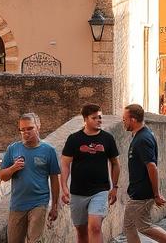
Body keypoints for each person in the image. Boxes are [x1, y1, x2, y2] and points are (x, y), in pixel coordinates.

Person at [60, 103, 120, 243]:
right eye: (95, 118)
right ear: (85, 119)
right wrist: (64, 186)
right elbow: (65, 164)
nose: (99, 120)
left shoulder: (107, 138)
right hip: (77, 192)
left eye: (100, 117)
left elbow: (115, 164)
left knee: (95, 227)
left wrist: (115, 187)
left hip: (100, 190)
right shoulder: (74, 139)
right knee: (81, 231)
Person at [0, 112, 61, 243]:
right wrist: (13, 168)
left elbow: (54, 179)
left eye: (30, 128)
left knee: (34, 240)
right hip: (17, 204)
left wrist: (55, 205)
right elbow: (2, 176)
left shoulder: (48, 150)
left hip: (39, 202)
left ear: (38, 126)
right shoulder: (13, 149)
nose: (26, 132)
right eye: (23, 130)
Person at [121, 104, 166, 243]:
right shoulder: (140, 136)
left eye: (124, 119)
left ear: (133, 119)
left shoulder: (143, 139)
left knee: (143, 226)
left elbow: (152, 167)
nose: (123, 122)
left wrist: (156, 194)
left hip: (142, 193)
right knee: (130, 225)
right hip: (138, 191)